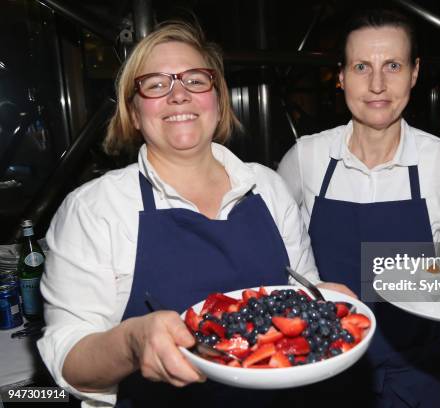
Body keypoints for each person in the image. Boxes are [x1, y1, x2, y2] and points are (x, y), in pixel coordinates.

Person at [37, 22, 352, 408]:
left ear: (218, 99)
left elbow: (303, 294)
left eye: (195, 80)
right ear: (134, 112)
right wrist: (132, 343)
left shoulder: (268, 187)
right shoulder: (93, 210)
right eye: (155, 84)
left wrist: (324, 300)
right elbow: (70, 359)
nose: (179, 95)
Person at [278, 8, 440, 408]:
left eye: (394, 65)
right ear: (341, 75)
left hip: (419, 374)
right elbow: (279, 260)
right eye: (362, 66)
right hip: (324, 369)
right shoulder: (306, 158)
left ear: (415, 73)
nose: (378, 84)